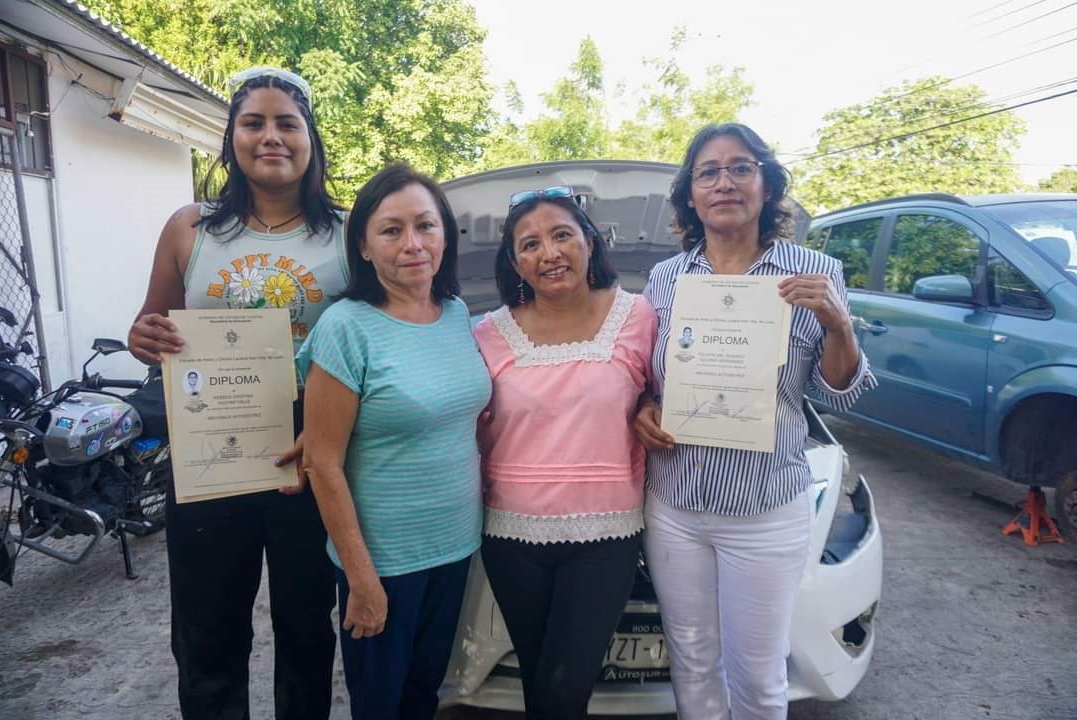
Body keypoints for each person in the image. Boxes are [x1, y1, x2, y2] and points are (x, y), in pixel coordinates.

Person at [634, 123, 877, 720]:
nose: (725, 183)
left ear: (767, 186)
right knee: (692, 662)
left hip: (766, 511)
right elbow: (649, 378)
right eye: (708, 172)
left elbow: (837, 394)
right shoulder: (667, 280)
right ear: (690, 195)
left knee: (758, 673)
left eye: (741, 168)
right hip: (676, 506)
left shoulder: (814, 273)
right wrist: (644, 408)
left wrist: (838, 325)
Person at [127, 67, 344, 720]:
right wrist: (145, 336)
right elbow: (151, 327)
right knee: (207, 629)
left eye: (287, 123)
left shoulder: (347, 232)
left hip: (311, 446)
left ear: (310, 140)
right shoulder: (189, 229)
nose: (270, 136)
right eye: (253, 122)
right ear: (231, 139)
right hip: (209, 443)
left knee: (308, 627)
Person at [297, 163, 492, 720]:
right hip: (384, 561)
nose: (413, 244)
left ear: (445, 235)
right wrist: (362, 580)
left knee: (424, 696)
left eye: (426, 226)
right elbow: (324, 463)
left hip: (455, 547)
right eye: (391, 230)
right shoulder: (345, 327)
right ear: (362, 244)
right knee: (380, 704)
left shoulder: (456, 314)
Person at [472, 186, 657, 719]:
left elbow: (666, 387)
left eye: (561, 236)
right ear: (514, 262)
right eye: (529, 244)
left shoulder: (638, 316)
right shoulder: (488, 332)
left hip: (606, 535)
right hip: (510, 535)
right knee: (539, 678)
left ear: (590, 243)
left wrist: (652, 403)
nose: (548, 253)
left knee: (563, 687)